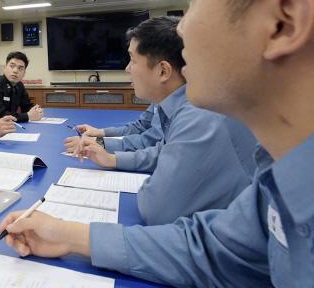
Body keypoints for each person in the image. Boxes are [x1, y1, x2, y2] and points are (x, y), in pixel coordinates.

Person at [0, 0, 314, 285]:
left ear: (282, 24)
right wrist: (70, 236)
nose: (180, 30)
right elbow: (216, 248)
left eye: (195, 1)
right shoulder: (280, 171)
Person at [73, 16, 257, 224]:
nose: (127, 69)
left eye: (133, 60)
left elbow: (157, 208)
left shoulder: (199, 114)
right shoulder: (184, 102)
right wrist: (113, 160)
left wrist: (154, 180)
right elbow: (164, 150)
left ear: (163, 71)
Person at [64, 103, 163, 154]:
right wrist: (99, 132)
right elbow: (140, 126)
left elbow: (149, 142)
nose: (127, 69)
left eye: (134, 63)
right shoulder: (159, 99)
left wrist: (98, 143)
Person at [0, 51, 43, 125]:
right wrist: (28, 116)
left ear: (24, 73)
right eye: (12, 66)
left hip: (11, 127)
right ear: (5, 68)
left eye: (20, 68)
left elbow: (26, 106)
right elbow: (1, 116)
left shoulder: (19, 85)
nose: (15, 71)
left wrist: (36, 110)